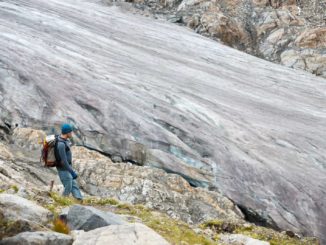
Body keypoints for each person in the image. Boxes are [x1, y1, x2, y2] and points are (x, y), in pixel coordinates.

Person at [56, 123, 83, 201]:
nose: (72, 133)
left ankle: (79, 200)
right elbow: (64, 161)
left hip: (67, 168)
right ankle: (62, 201)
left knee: (74, 185)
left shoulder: (65, 141)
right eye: (71, 132)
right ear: (67, 133)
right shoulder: (61, 144)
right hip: (63, 169)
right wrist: (72, 172)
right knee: (68, 187)